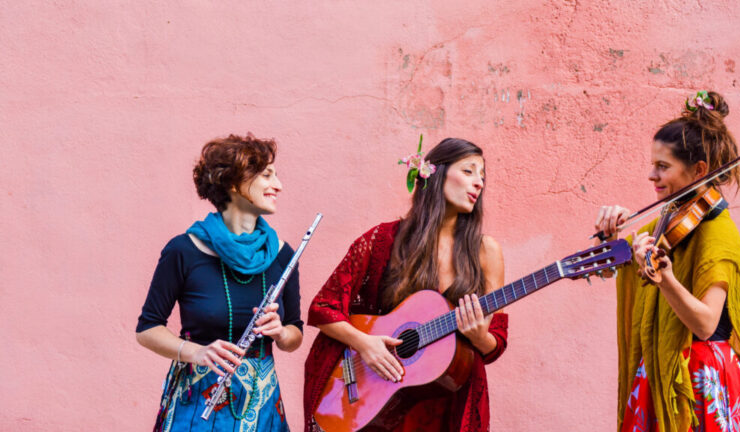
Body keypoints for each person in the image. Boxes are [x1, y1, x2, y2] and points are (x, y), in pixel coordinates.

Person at [303, 137, 508, 432]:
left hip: (446, 404)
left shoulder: (486, 251)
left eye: (483, 177)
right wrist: (364, 343)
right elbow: (324, 307)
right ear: (435, 174)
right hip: (378, 397)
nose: (479, 183)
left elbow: (496, 343)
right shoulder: (382, 239)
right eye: (468, 171)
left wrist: (479, 337)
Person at [595, 91, 740, 431]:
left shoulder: (718, 232)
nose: (651, 175)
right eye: (652, 164)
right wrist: (611, 238)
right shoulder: (668, 220)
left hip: (698, 379)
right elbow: (615, 266)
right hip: (660, 369)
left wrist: (666, 281)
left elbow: (706, 324)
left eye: (663, 166)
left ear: (699, 170)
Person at [136, 133, 303, 431]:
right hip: (196, 402)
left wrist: (280, 332)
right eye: (267, 175)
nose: (278, 185)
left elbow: (295, 334)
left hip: (262, 406)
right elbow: (147, 329)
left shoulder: (283, 254)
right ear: (235, 183)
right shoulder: (183, 250)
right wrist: (196, 352)